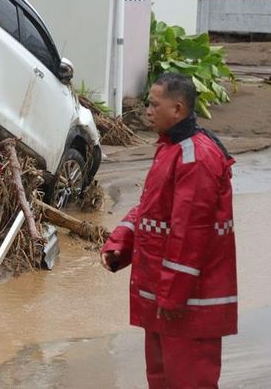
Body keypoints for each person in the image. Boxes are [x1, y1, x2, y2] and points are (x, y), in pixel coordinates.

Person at [100, 73, 237, 388]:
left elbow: (191, 232)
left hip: (186, 304)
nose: (147, 110)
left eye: (153, 104)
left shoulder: (196, 157)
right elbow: (152, 208)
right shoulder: (171, 149)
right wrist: (120, 244)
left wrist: (173, 296)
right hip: (167, 299)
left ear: (177, 110)